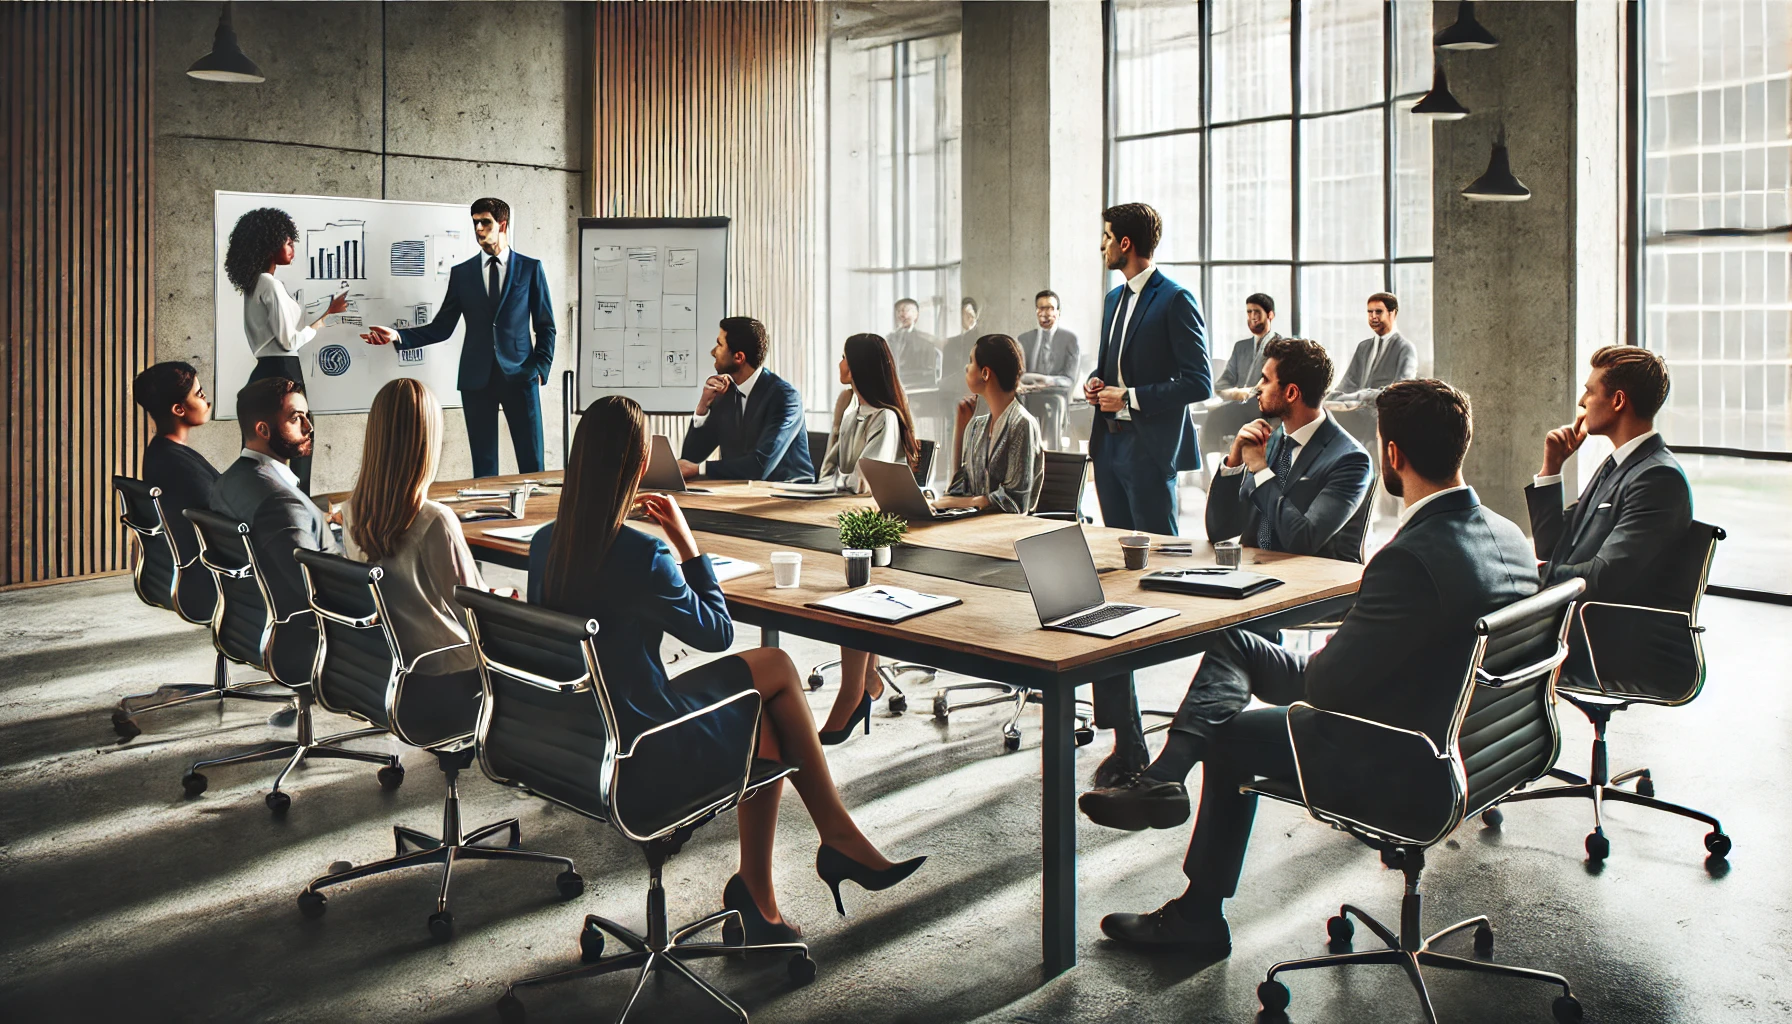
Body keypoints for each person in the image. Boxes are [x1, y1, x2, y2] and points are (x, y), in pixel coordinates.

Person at [1083, 379, 1540, 954]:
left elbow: (1324, 687)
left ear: (1392, 454)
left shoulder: (1409, 558)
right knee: (1236, 642)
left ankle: (1196, 919)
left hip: (1400, 757)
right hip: (1479, 747)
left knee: (1231, 736)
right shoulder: (1509, 536)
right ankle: (1162, 778)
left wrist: (1311, 662)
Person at [529, 396, 923, 941]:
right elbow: (715, 633)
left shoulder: (546, 542)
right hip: (645, 741)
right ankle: (834, 836)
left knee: (766, 719)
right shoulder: (642, 555)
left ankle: (758, 893)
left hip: (583, 740)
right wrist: (688, 547)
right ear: (641, 466)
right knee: (778, 665)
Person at [1526, 346, 1691, 683]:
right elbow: (1551, 546)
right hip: (1582, 624)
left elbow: (1602, 580)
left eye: (1589, 391)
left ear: (1617, 401)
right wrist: (1551, 467)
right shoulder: (1619, 464)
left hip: (1611, 641)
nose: (1582, 402)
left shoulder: (1657, 477)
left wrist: (1530, 578)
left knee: (1474, 646)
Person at [362, 197, 556, 479]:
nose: (478, 228)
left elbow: (545, 325)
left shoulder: (530, 269)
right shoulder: (462, 274)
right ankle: (490, 518)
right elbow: (442, 327)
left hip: (521, 376)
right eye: (475, 222)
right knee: (484, 466)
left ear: (502, 225)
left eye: (485, 222)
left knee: (532, 463)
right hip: (476, 379)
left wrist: (540, 369)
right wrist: (398, 336)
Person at [342, 379, 499, 692]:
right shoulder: (434, 520)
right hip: (449, 677)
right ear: (428, 441)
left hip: (390, 670)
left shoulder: (350, 511)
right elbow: (476, 616)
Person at [1083, 202, 1211, 536]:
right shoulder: (1113, 299)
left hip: (1149, 447)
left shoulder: (1175, 299)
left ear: (1125, 243)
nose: (1102, 245)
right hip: (1107, 446)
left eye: (1107, 236)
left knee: (1159, 556)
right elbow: (1110, 367)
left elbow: (1199, 383)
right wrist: (1095, 382)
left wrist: (1129, 398)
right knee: (1116, 549)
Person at [211, 377, 343, 680]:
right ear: (263, 429)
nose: (309, 428)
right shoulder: (281, 502)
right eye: (296, 419)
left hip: (246, 621)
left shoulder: (229, 480)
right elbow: (320, 588)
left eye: (307, 417)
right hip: (308, 638)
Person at [1204, 336, 1373, 561]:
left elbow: (1303, 540)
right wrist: (1233, 465)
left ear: (1292, 393)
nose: (1256, 389)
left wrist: (1261, 470)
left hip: (1311, 587)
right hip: (1253, 577)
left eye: (1265, 380)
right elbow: (1221, 531)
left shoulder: (1351, 460)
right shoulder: (1270, 441)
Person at [224, 207, 349, 494]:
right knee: (301, 442)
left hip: (263, 371)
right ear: (270, 245)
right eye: (288, 241)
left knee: (260, 447)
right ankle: (299, 506)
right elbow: (288, 341)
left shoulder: (252, 284)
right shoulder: (270, 284)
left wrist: (326, 314)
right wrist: (321, 321)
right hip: (284, 371)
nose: (292, 247)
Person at [678, 316, 814, 482]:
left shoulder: (785, 397)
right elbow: (689, 460)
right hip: (740, 493)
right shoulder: (724, 394)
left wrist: (700, 469)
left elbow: (760, 465)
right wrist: (702, 408)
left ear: (739, 357)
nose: (713, 352)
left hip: (789, 496)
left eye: (720, 345)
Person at [938, 334, 1046, 514]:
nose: (966, 367)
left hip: (1006, 532)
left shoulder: (1022, 423)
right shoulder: (977, 426)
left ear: (985, 373)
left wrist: (963, 503)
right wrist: (960, 429)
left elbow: (1015, 501)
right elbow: (958, 490)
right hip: (975, 526)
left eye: (971, 361)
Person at [134, 361, 222, 564]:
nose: (206, 399)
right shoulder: (176, 464)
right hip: (207, 568)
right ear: (179, 409)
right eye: (199, 394)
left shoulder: (163, 451)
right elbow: (221, 516)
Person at [818, 334, 921, 494]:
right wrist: (837, 424)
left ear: (856, 367)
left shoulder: (885, 418)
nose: (840, 364)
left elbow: (863, 482)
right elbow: (825, 476)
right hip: (843, 509)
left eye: (844, 357)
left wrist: (837, 481)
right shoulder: (851, 417)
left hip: (872, 515)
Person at [1326, 292, 1417, 408]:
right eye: (1370, 312)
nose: (1373, 316)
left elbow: (1401, 391)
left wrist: (1362, 396)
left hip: (1383, 413)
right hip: (1354, 411)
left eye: (1378, 312)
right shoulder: (1363, 347)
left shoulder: (1405, 348)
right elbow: (1348, 382)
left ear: (1392, 313)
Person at [1016, 290, 1081, 444]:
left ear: (1058, 312)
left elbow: (1069, 379)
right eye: (1041, 308)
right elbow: (1019, 373)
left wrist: (1045, 381)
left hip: (1054, 394)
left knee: (1053, 404)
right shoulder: (1024, 339)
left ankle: (1051, 456)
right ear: (1036, 311)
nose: (1045, 313)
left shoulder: (1069, 339)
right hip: (1027, 394)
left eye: (1050, 308)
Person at [1213, 293, 1283, 404]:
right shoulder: (1240, 347)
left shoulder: (1282, 346)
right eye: (1249, 312)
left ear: (1270, 315)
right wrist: (1239, 394)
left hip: (1268, 413)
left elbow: (1277, 387)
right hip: (1238, 412)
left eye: (1257, 312)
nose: (1252, 317)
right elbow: (1221, 385)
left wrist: (1248, 392)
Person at [887, 297, 943, 392]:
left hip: (917, 389)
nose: (902, 314)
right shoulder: (889, 339)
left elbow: (931, 374)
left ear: (916, 315)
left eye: (907, 310)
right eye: (899, 311)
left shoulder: (926, 342)